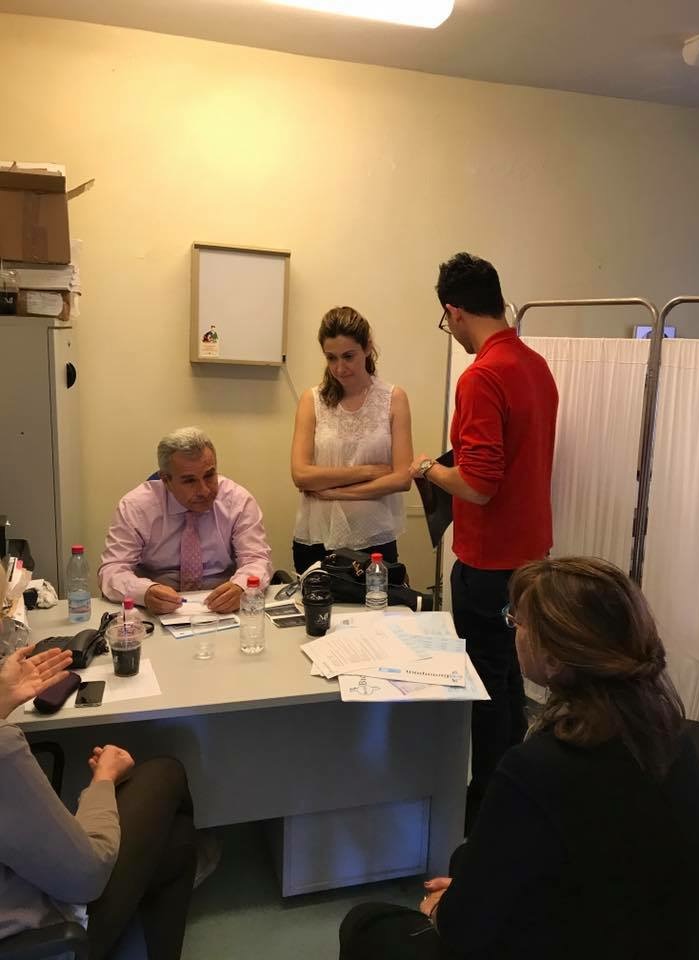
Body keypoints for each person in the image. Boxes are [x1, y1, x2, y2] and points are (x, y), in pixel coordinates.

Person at [339, 557, 699, 960]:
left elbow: (464, 930)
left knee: (367, 923)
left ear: (553, 659)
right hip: (668, 938)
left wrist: (444, 909)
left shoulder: (537, 767)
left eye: (516, 622)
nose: (513, 630)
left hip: (580, 937)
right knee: (464, 859)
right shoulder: (670, 732)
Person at [410, 253, 558, 829]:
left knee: (486, 687)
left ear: (454, 312)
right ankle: (513, 796)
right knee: (511, 681)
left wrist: (430, 469)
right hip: (531, 557)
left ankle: (486, 812)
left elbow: (477, 484)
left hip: (488, 563)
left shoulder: (481, 376)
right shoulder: (536, 366)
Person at [0, 643, 198, 960]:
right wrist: (103, 781)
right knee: (166, 775)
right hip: (40, 933)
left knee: (175, 842)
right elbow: (85, 877)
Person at [291, 306, 413, 574]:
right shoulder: (312, 400)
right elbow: (301, 475)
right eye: (331, 358)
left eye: (348, 356)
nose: (340, 368)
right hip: (317, 536)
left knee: (378, 601)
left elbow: (402, 479)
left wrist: (335, 492)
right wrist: (369, 472)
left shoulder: (394, 398)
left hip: (374, 538)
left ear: (367, 347)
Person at [99, 426, 272, 615]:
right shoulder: (137, 507)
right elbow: (112, 569)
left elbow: (256, 559)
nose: (204, 490)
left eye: (209, 475)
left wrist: (241, 587)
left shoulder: (237, 501)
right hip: (156, 611)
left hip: (223, 608)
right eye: (190, 481)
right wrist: (145, 592)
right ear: (166, 480)